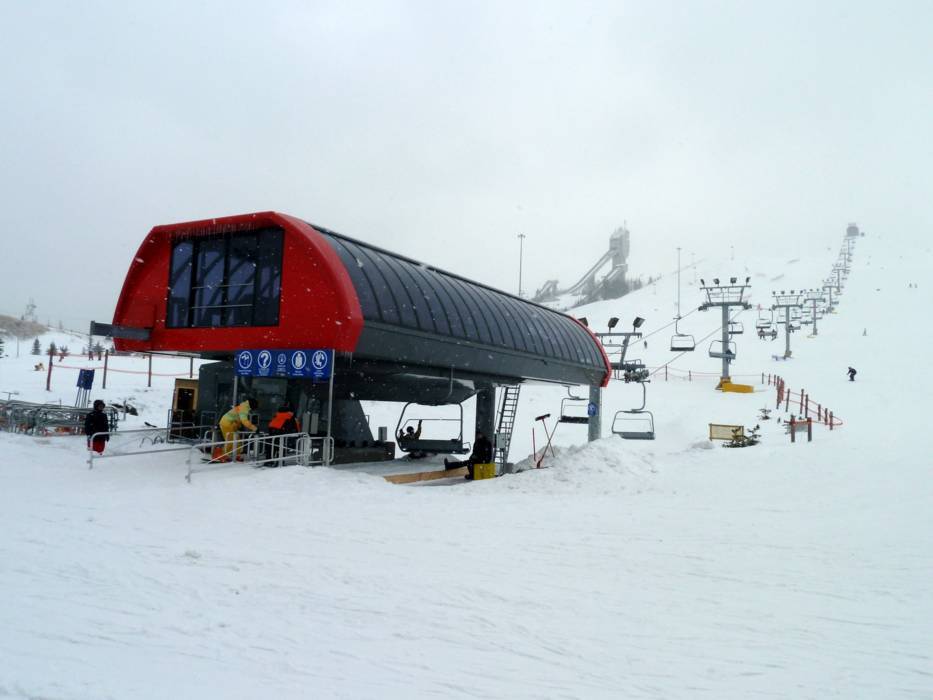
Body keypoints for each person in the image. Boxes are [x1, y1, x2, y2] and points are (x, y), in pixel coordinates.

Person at [217, 397, 259, 462]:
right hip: (227, 423)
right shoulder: (244, 408)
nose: (254, 409)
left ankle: (237, 455)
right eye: (255, 407)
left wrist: (238, 426)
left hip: (231, 424)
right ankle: (222, 456)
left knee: (238, 441)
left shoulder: (244, 406)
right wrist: (254, 428)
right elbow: (244, 421)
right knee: (230, 441)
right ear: (252, 405)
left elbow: (238, 418)